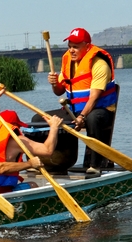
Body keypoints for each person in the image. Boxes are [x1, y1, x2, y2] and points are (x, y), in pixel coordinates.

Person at [47, 27, 117, 174]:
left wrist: (82, 117)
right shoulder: (68, 61)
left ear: (87, 46)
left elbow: (94, 98)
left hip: (99, 110)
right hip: (74, 110)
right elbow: (58, 91)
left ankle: (95, 166)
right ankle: (56, 162)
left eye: (75, 47)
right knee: (41, 119)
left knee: (92, 119)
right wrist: (54, 83)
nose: (71, 50)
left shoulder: (99, 64)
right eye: (70, 46)